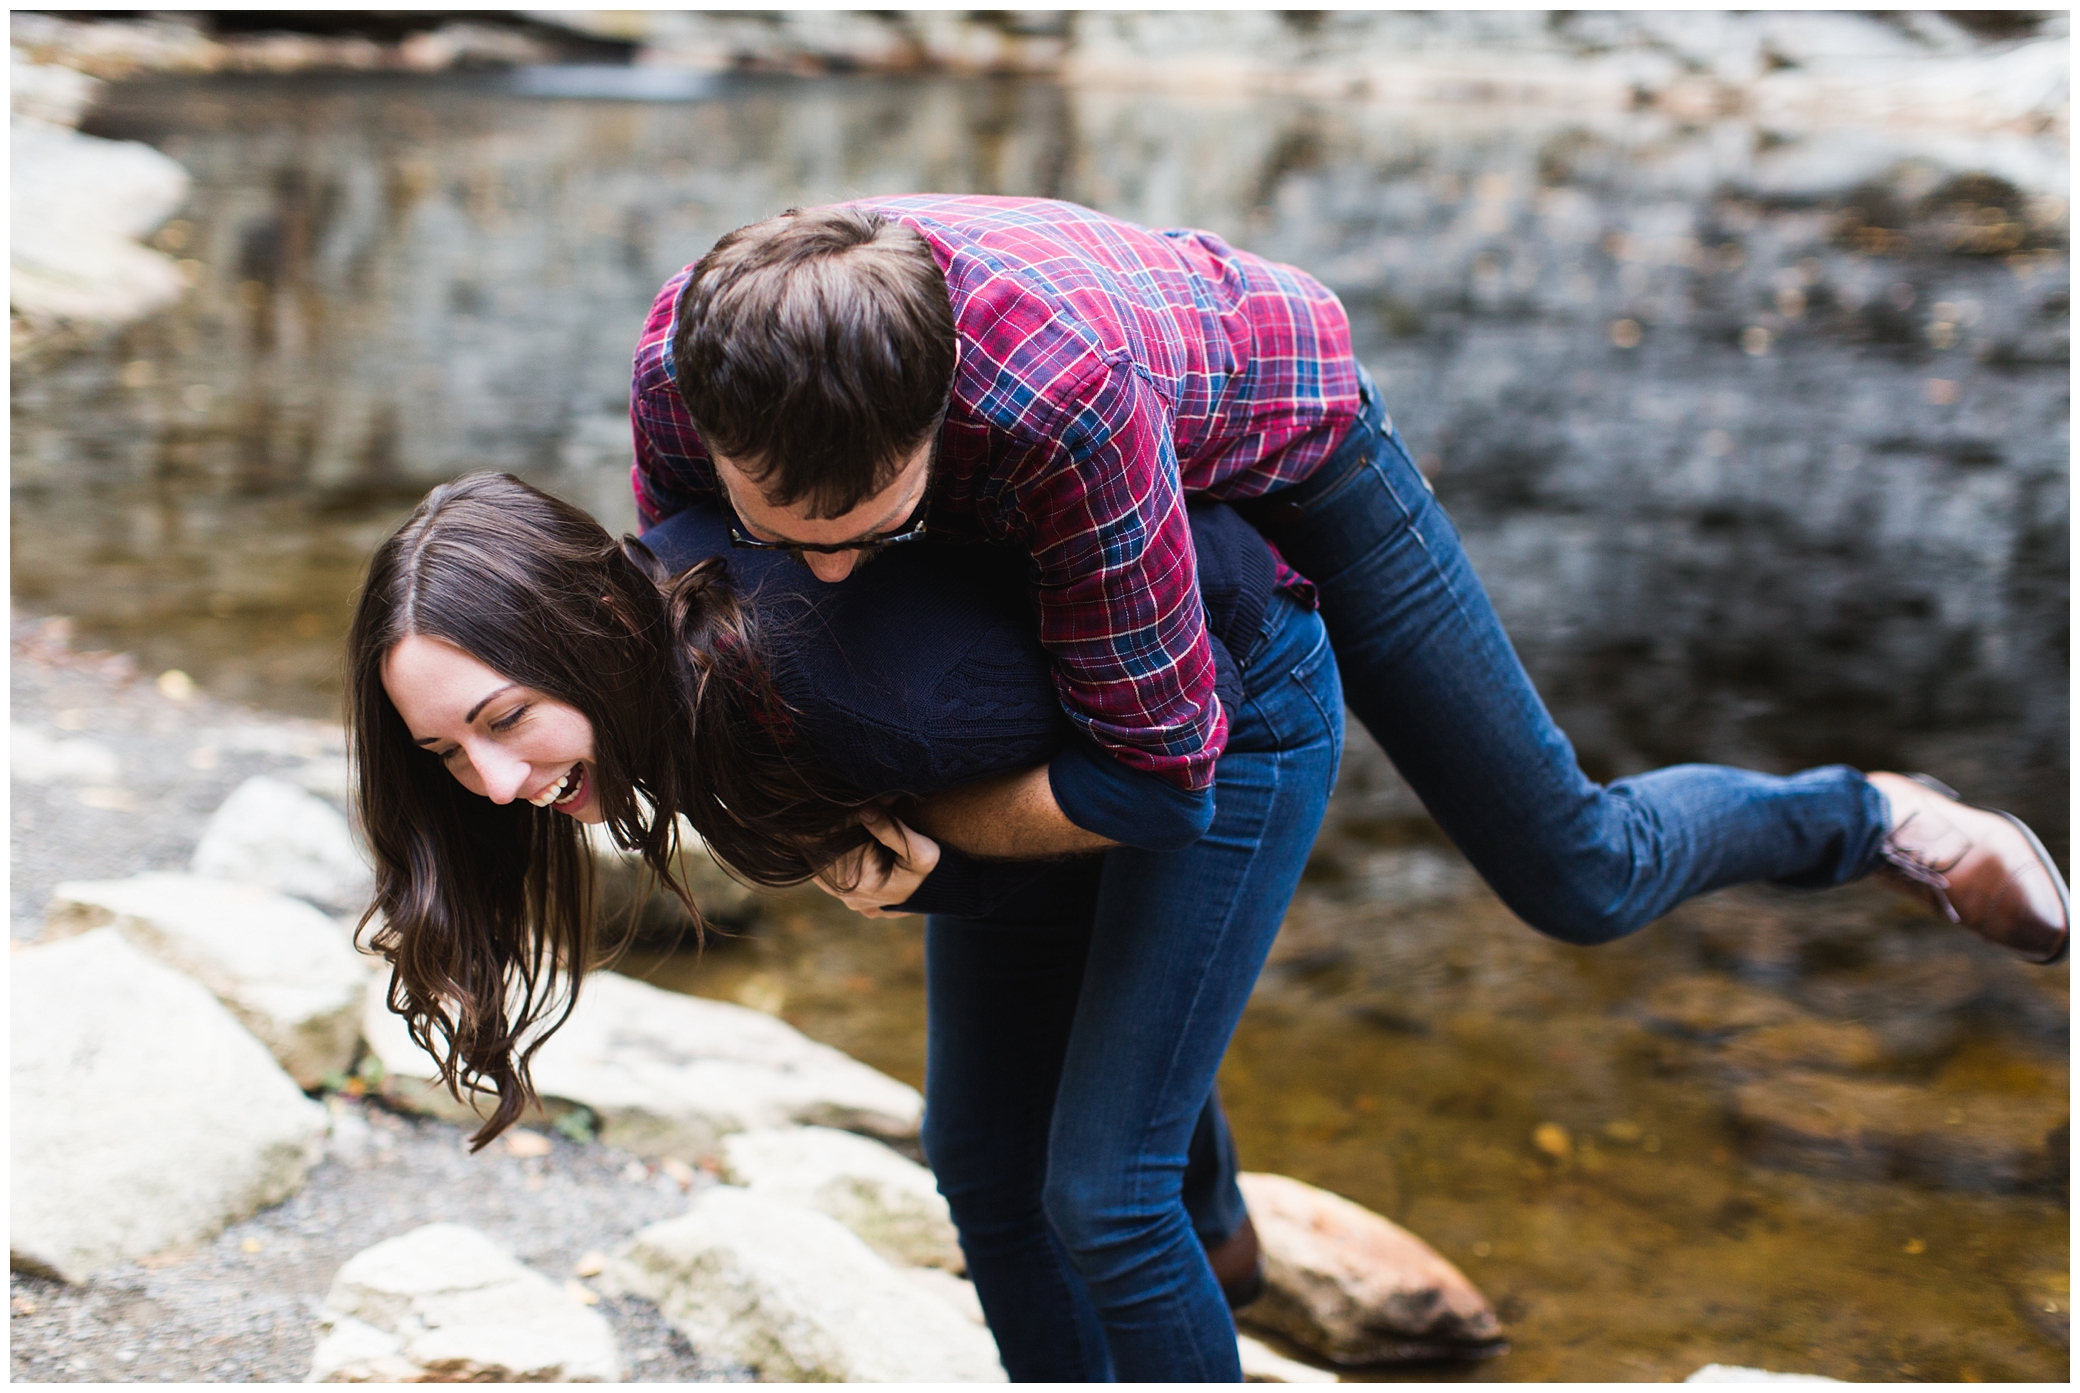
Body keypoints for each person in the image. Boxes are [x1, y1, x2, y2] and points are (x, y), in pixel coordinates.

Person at [627, 194, 2068, 967]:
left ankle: (1876, 817)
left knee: (1572, 872)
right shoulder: (681, 369)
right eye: (786, 522)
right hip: (1058, 439)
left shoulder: (1057, 406)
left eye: (868, 521)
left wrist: (921, 814)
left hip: (1291, 432)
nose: (822, 568)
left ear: (940, 420)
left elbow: (1154, 771)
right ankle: (1197, 1216)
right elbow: (714, 601)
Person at [348, 472, 1341, 1380]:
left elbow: (1139, 808)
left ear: (595, 623)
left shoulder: (836, 700)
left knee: (1106, 1196)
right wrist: (924, 868)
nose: (496, 785)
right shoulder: (670, 670)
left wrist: (931, 854)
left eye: (508, 717)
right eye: (446, 751)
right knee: (983, 1160)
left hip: (1230, 711)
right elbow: (1032, 872)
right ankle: (1208, 1241)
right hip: (1055, 746)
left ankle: (1203, 1226)